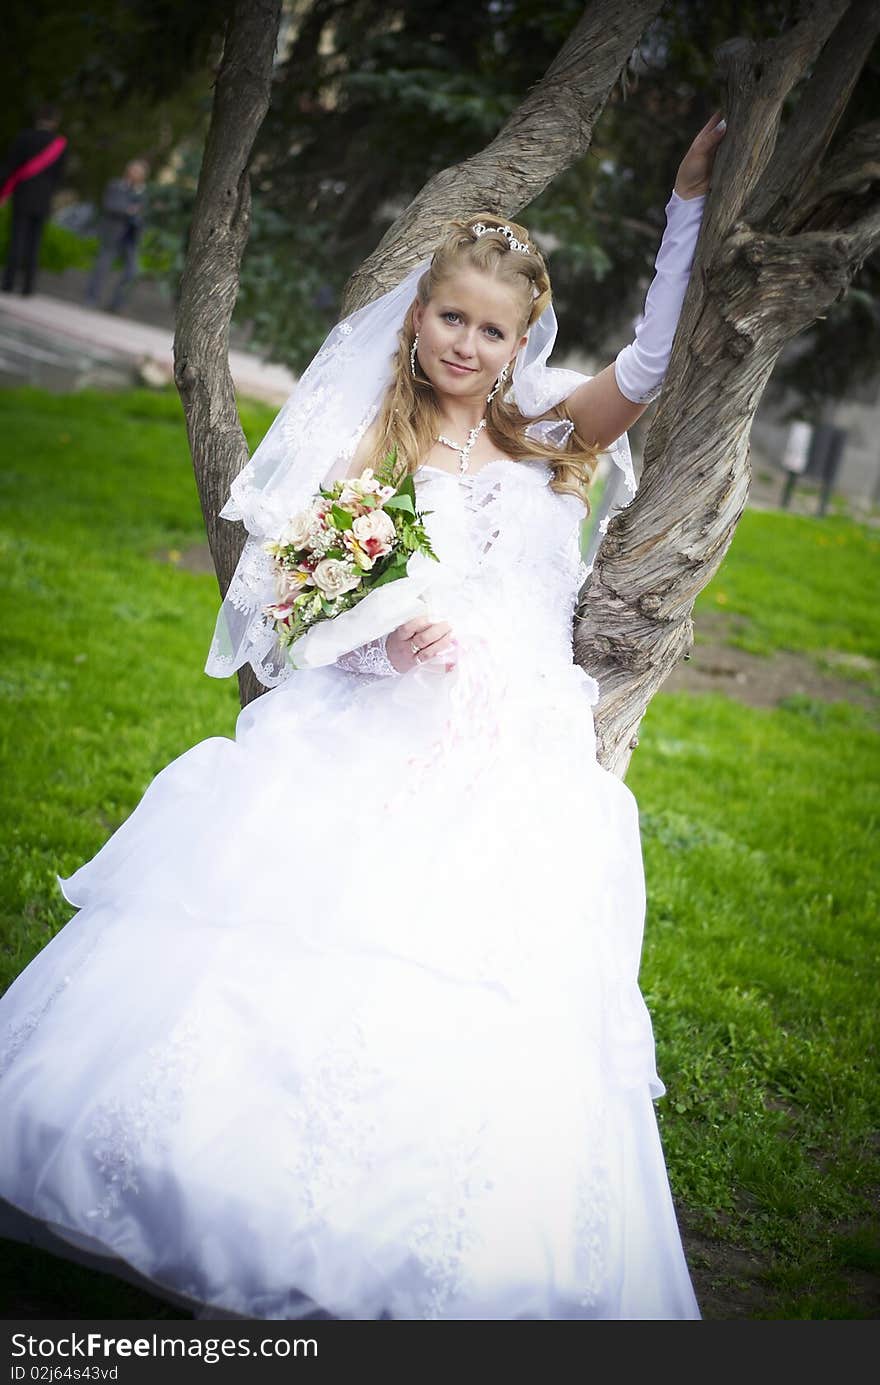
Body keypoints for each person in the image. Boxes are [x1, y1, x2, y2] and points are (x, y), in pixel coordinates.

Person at [0, 114, 725, 1320]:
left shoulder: (547, 436)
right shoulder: (366, 446)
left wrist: (687, 207)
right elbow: (289, 606)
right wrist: (382, 639)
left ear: (519, 341)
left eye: (494, 330)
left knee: (478, 999)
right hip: (371, 727)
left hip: (514, 758)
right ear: (416, 316)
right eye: (451, 318)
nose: (468, 344)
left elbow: (649, 365)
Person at [0, 104, 68, 297]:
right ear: (55, 122)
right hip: (43, 199)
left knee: (17, 239)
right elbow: (59, 176)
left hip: (23, 195)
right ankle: (28, 287)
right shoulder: (60, 144)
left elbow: (10, 166)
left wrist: (3, 192)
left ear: (37, 118)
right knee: (34, 243)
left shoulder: (24, 138)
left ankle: (8, 283)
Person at [84, 159, 150, 312]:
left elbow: (144, 212)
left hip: (131, 238)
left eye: (140, 173)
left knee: (133, 271)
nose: (136, 175)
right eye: (134, 171)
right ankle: (91, 298)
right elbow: (110, 205)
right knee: (102, 267)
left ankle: (116, 304)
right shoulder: (116, 186)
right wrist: (129, 210)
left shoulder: (143, 192)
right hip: (112, 234)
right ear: (128, 171)